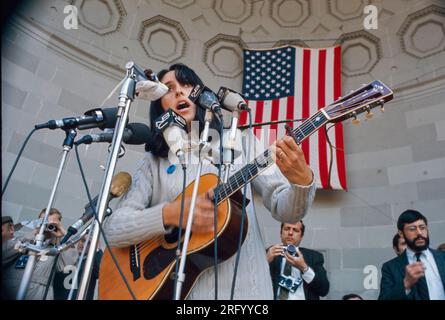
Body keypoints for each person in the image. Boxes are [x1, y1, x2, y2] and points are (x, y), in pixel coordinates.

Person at [103, 63, 316, 299]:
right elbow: (114, 229)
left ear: (201, 96)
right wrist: (169, 214)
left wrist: (302, 183)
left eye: (186, 84)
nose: (179, 92)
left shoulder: (243, 141)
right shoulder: (154, 161)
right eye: (169, 88)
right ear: (159, 105)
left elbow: (285, 210)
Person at [2, 208, 78, 300]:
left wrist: (63, 234)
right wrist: (35, 233)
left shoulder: (57, 249)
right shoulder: (25, 240)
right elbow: (5, 252)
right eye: (43, 222)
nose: (46, 226)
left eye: (52, 224)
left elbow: (69, 263)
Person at [378, 210, 445, 300]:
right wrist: (406, 284)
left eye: (422, 227)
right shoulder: (390, 268)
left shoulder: (442, 258)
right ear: (401, 233)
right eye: (412, 229)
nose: (419, 233)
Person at [266, 221, 329, 300]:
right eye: (287, 229)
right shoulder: (269, 253)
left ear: (301, 236)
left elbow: (324, 290)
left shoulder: (314, 257)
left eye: (295, 230)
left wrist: (304, 268)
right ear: (281, 233)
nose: (290, 233)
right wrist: (265, 261)